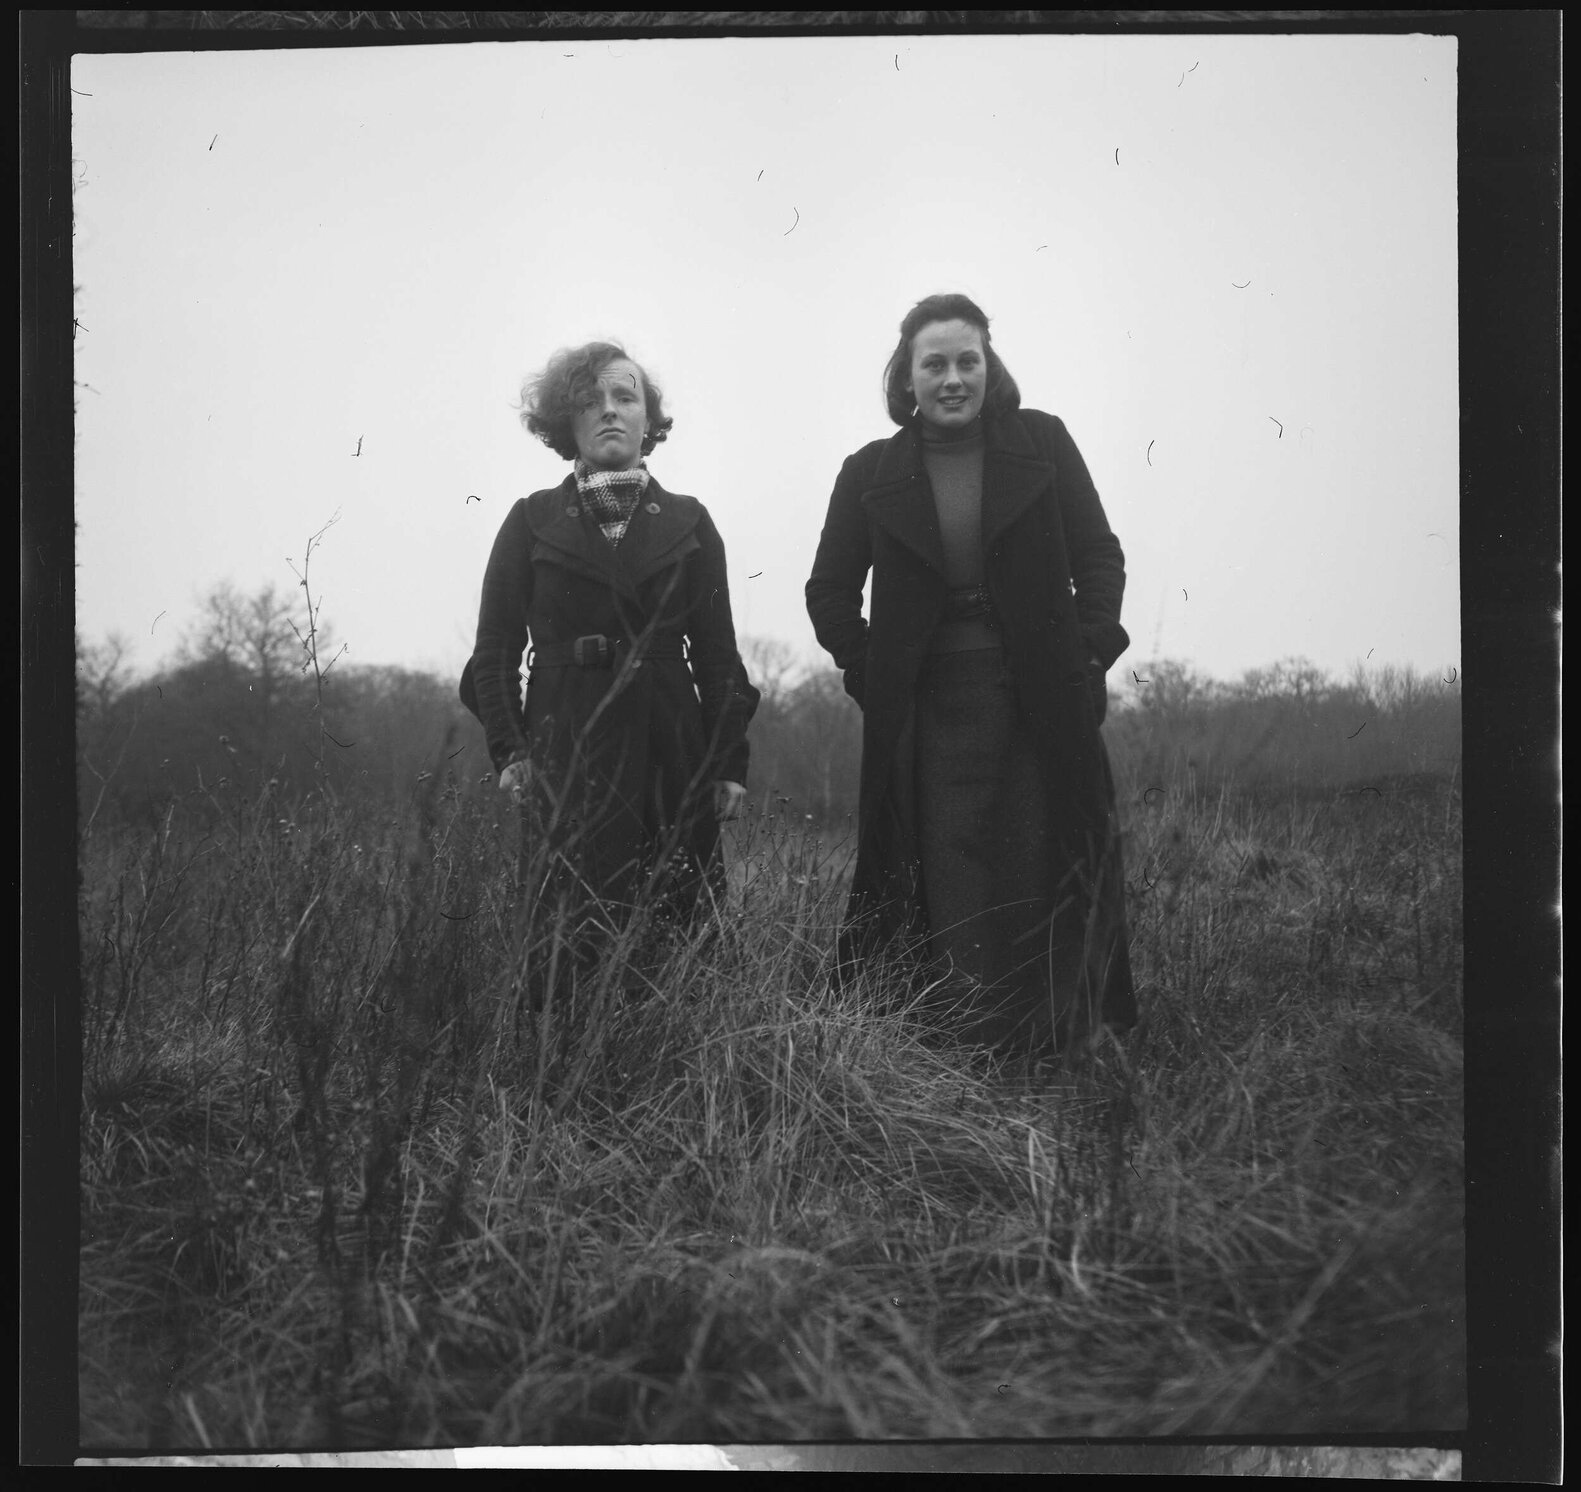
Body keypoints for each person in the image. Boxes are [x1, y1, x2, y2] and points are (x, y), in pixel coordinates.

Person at [805, 293, 1136, 1053]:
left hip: (1039, 698)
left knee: (1040, 863)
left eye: (967, 361)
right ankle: (954, 1047)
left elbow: (1098, 556)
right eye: (934, 364)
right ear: (906, 376)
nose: (952, 378)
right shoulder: (868, 471)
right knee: (944, 875)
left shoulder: (1043, 443)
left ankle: (1057, 1045)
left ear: (989, 366)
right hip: (925, 710)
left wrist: (1089, 652)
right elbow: (827, 591)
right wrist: (871, 673)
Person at [462, 341, 759, 976]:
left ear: (649, 419)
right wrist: (511, 752)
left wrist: (728, 760)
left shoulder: (691, 522)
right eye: (589, 401)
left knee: (681, 931)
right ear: (563, 423)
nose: (610, 411)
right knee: (565, 938)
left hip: (672, 750)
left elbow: (719, 659)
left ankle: (686, 1062)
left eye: (626, 397)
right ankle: (566, 1064)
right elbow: (492, 656)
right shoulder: (529, 521)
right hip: (565, 748)